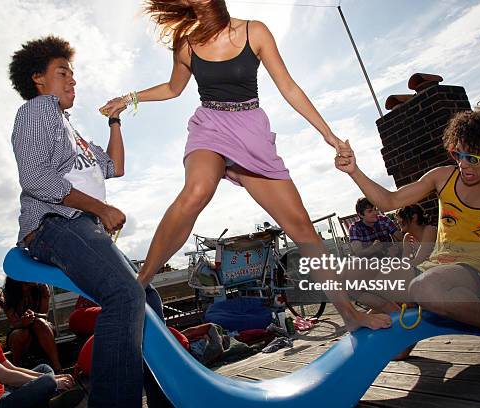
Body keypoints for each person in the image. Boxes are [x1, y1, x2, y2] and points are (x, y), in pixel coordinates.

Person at [99, 0, 391, 332]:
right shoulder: (186, 43)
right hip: (210, 127)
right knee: (196, 191)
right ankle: (137, 285)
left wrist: (330, 136)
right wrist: (129, 99)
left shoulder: (255, 31)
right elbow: (173, 88)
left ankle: (351, 316)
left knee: (302, 229)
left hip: (251, 132)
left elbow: (290, 88)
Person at [9, 36, 171, 407]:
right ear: (38, 79)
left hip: (82, 225)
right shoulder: (38, 111)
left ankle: (162, 397)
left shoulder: (72, 132)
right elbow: (35, 178)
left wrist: (115, 121)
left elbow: (116, 166)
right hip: (55, 223)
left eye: (73, 75)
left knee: (147, 296)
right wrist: (99, 208)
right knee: (125, 294)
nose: (73, 81)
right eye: (62, 73)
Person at [335, 102, 480, 376]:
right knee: (345, 274)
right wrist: (354, 171)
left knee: (426, 288)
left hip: (479, 282)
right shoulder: (444, 177)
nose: (463, 164)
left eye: (473, 158)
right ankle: (403, 329)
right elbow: (390, 200)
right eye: (458, 154)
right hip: (431, 272)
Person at [3, 277, 61, 372]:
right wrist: (23, 322)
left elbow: (44, 315)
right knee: (21, 334)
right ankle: (17, 369)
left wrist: (34, 316)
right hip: (19, 329)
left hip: (41, 327)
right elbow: (14, 323)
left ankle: (57, 367)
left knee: (39, 323)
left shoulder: (42, 288)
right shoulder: (9, 294)